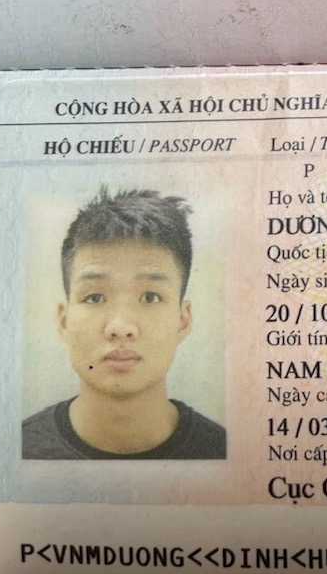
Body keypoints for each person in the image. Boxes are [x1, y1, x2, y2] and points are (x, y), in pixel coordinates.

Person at [22, 187, 226, 460]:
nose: (120, 327)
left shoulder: (224, 452)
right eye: (95, 297)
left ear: (183, 320)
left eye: (150, 297)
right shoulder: (19, 449)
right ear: (63, 320)